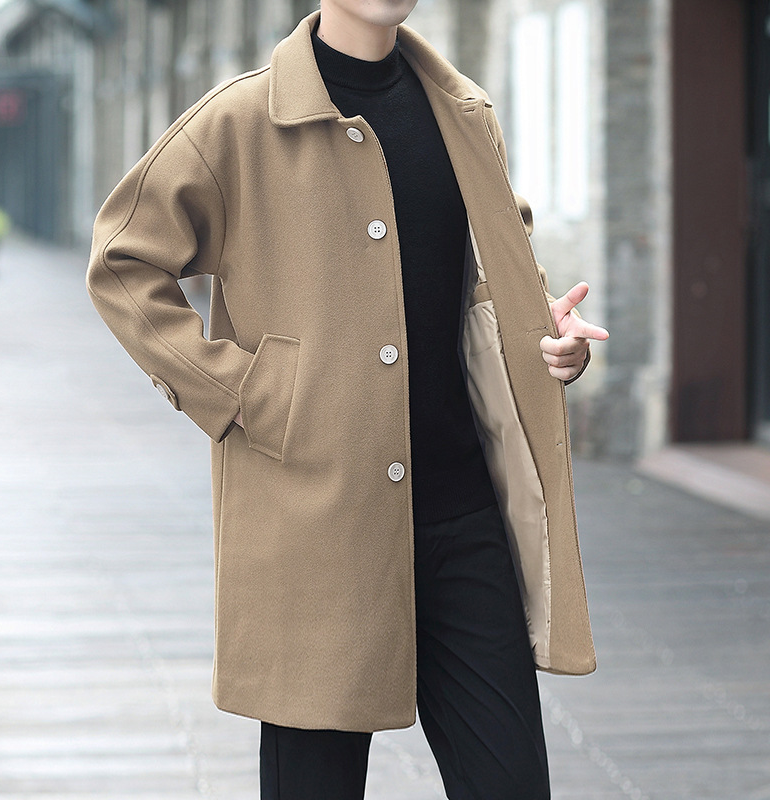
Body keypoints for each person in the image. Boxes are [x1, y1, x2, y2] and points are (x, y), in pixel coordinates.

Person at [86, 1, 610, 797]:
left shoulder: (463, 112)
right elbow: (124, 262)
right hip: (317, 523)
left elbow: (495, 272)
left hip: (463, 516)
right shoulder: (240, 121)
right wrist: (244, 392)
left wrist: (550, 341)